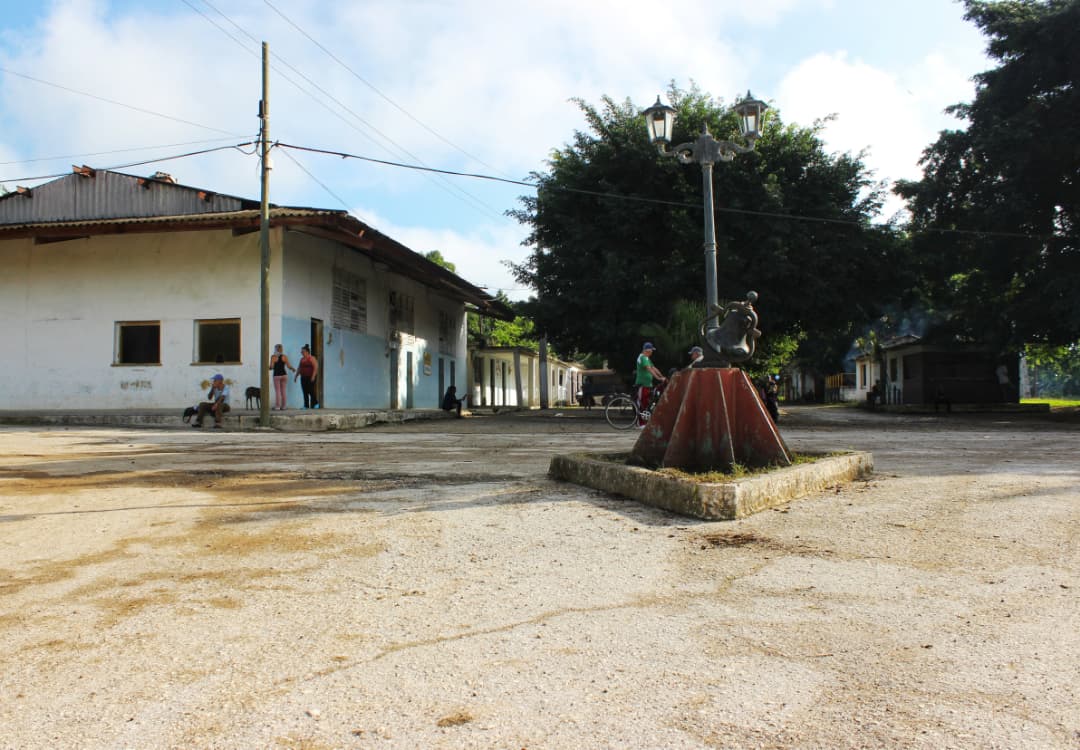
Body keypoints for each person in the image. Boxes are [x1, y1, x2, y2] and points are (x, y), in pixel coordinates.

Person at [634, 342, 667, 427]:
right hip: (642, 384)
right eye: (651, 350)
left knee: (646, 403)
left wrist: (662, 376)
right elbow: (649, 369)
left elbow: (654, 368)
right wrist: (658, 378)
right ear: (647, 350)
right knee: (642, 403)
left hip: (648, 384)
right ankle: (640, 423)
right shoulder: (642, 357)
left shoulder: (647, 358)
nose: (652, 352)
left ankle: (645, 422)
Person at [269, 344, 295, 410]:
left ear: (276, 349)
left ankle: (277, 406)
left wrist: (269, 367)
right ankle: (284, 406)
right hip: (284, 375)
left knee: (278, 391)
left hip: (276, 375)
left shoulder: (273, 357)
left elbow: (271, 367)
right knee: (283, 391)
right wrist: (292, 369)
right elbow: (289, 366)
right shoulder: (284, 356)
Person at [295, 345, 320, 409]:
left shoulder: (312, 358)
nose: (301, 352)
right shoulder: (302, 359)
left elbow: (316, 367)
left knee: (311, 390)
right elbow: (299, 368)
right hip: (303, 377)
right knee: (305, 391)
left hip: (310, 377)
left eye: (303, 351)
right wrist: (296, 376)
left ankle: (316, 403)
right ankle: (306, 405)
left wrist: (313, 376)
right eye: (301, 351)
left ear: (307, 352)